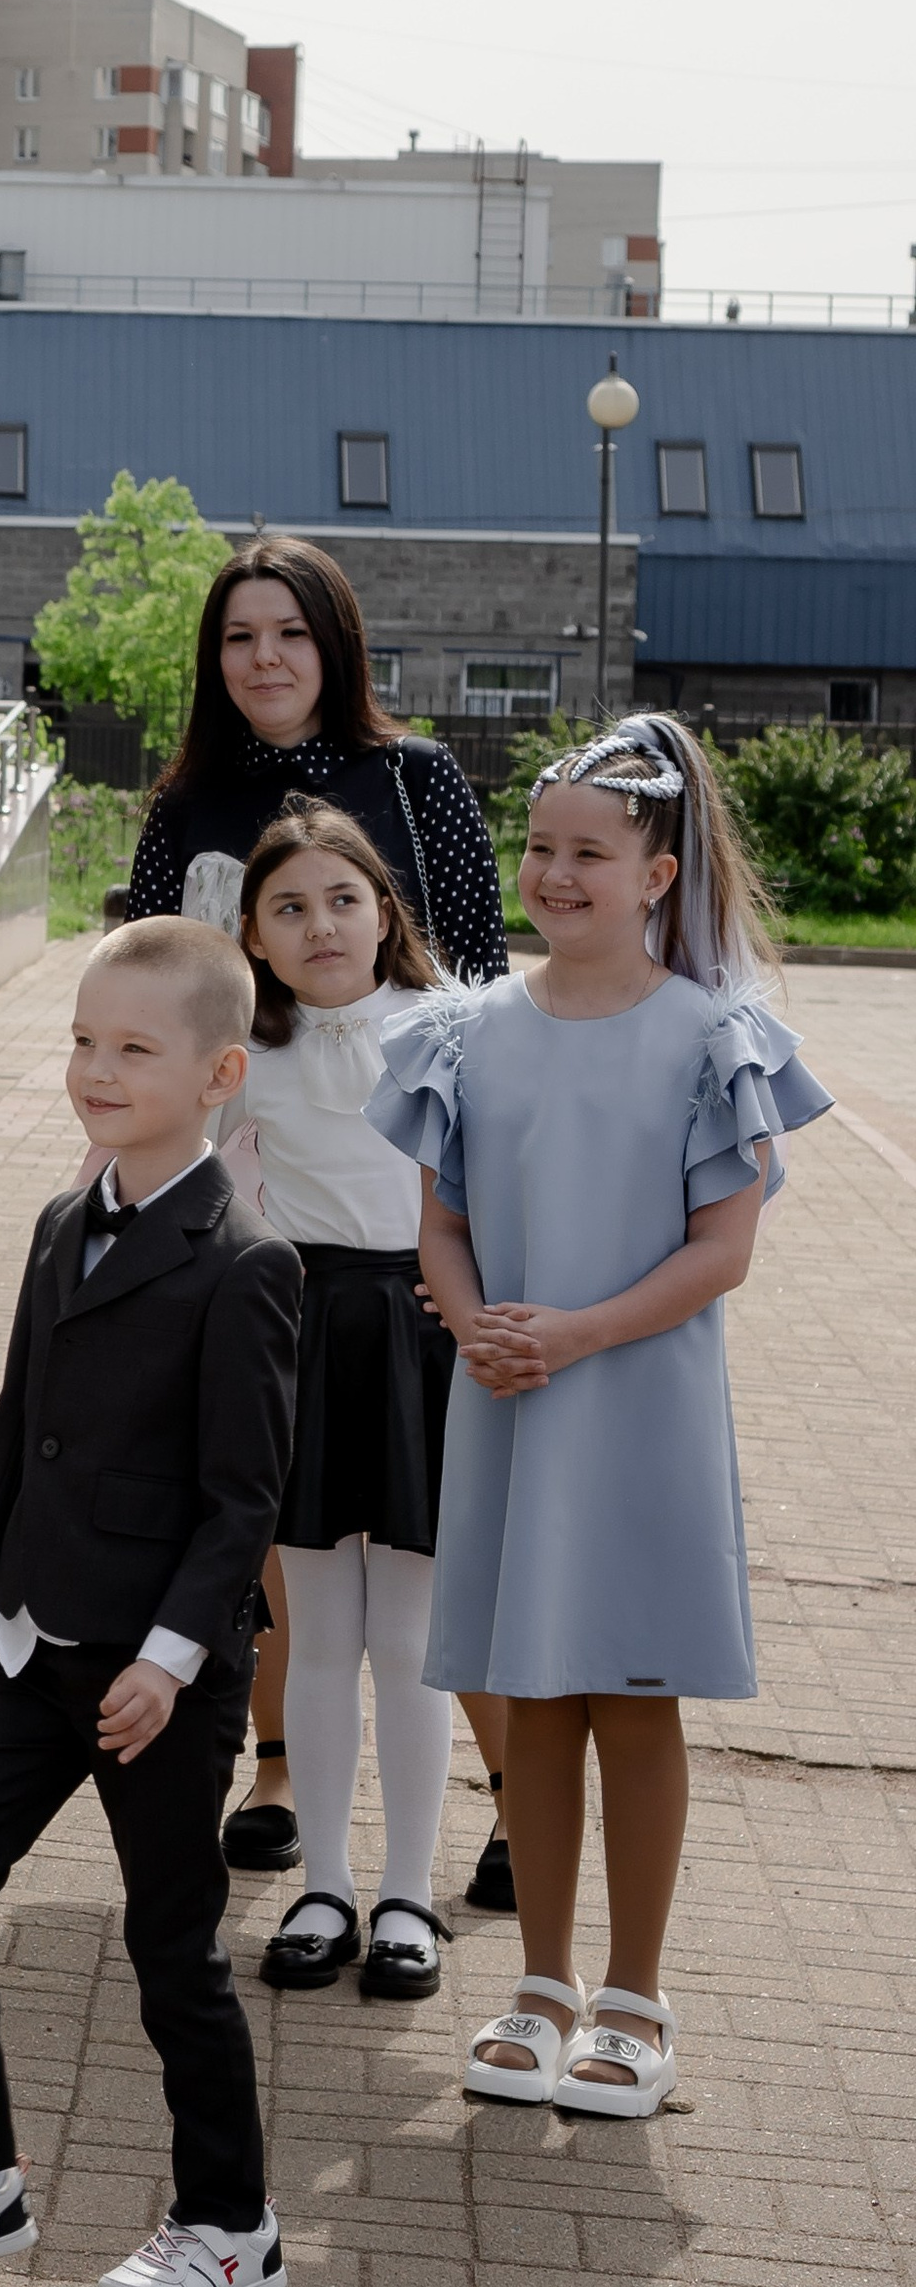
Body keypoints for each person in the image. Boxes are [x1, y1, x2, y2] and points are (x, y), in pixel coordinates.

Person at [0, 917, 301, 2287]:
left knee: (173, 1954)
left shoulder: (245, 1264)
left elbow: (243, 1506)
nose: (96, 1069)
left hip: (158, 1680)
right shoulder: (56, 1223)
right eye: (84, 1041)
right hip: (33, 1655)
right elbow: (17, 1433)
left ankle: (233, 2224)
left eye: (134, 1049)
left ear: (220, 1071)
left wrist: (169, 1664)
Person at [369, 716, 828, 2118]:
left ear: (659, 874)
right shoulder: (471, 1030)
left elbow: (721, 1251)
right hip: (508, 1394)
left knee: (631, 1693)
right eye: (540, 848)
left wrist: (573, 1330)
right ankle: (541, 1985)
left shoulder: (712, 1039)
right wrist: (471, 1321)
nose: (555, 875)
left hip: (635, 1406)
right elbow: (438, 1222)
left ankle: (635, 1997)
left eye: (590, 853)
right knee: (532, 1695)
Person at [126, 535, 508, 1890]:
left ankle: (499, 1792)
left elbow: (477, 965)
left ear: (335, 645)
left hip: (410, 1221)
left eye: (290, 632)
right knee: (297, 1543)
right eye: (239, 637)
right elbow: (161, 996)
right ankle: (284, 1774)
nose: (266, 658)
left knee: (418, 1549)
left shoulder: (413, 780)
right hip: (279, 1216)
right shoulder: (190, 807)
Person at [226, 806, 457, 2002]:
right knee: (316, 1631)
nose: (320, 925)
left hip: (423, 1336)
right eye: (288, 908)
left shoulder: (452, 1029)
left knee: (411, 1639)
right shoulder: (243, 1056)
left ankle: (408, 1895)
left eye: (342, 899)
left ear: (384, 912)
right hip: (304, 1336)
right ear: (253, 939)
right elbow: (192, 1191)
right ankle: (324, 1884)